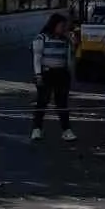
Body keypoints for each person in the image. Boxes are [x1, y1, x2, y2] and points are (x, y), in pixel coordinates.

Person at [31, 13, 78, 141]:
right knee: (42, 101)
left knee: (62, 102)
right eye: (62, 25)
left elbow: (70, 57)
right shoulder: (42, 38)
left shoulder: (65, 39)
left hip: (61, 73)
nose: (64, 28)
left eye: (65, 26)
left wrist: (73, 44)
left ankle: (66, 130)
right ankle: (37, 129)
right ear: (54, 25)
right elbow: (37, 58)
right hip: (47, 72)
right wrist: (38, 75)